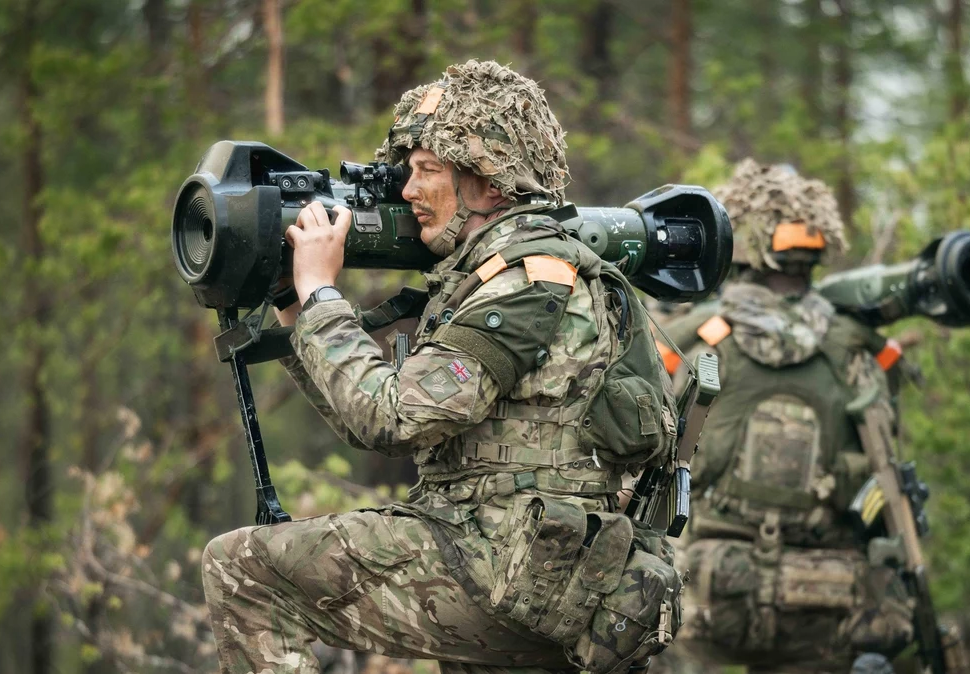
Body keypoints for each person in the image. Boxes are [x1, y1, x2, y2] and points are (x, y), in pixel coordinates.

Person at [201, 60, 682, 674]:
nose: (408, 190)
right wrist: (297, 302)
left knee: (244, 572)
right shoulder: (506, 275)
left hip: (505, 566)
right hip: (529, 567)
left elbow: (392, 419)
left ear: (489, 181)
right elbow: (363, 419)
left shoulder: (529, 282)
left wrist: (324, 294)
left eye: (428, 170)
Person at [653, 159, 915, 674]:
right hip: (824, 604)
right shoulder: (857, 348)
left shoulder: (690, 335)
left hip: (700, 596)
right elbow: (885, 470)